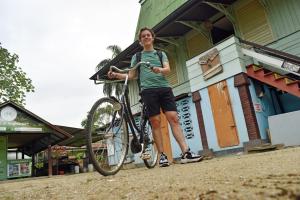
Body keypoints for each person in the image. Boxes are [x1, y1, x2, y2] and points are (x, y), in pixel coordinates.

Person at [108, 27, 203, 167]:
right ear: (141, 41)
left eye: (148, 35)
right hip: (148, 91)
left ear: (152, 38)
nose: (146, 37)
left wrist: (159, 70)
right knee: (156, 122)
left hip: (164, 89)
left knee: (174, 118)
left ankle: (186, 153)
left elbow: (167, 69)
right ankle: (162, 156)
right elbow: (132, 75)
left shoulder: (160, 54)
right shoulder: (137, 57)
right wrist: (116, 75)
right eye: (143, 36)